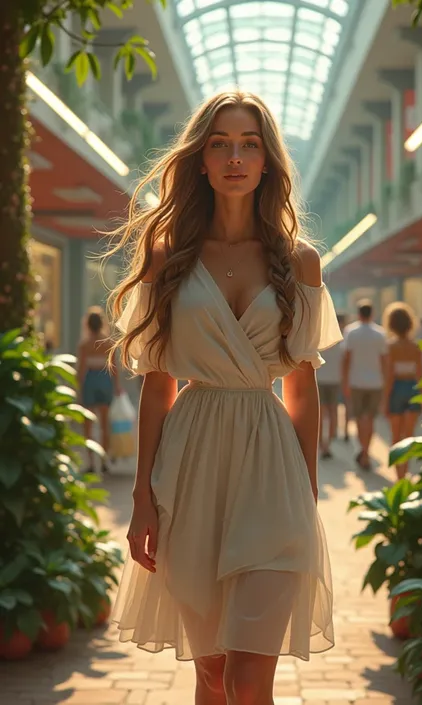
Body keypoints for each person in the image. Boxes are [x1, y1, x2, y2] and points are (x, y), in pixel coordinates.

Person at [107, 91, 342, 704]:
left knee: (249, 679)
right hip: (190, 468)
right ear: (201, 161)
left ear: (268, 162)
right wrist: (142, 500)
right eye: (219, 144)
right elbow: (157, 386)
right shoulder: (167, 258)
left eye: (249, 144)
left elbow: (302, 385)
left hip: (272, 472)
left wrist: (307, 494)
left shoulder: (300, 262)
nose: (235, 157)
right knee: (210, 674)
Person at [342, 299, 387, 471]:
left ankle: (362, 450)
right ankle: (366, 452)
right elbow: (384, 361)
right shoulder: (380, 333)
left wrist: (345, 382)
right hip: (376, 383)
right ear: (372, 314)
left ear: (359, 314)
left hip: (356, 381)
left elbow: (346, 359)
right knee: (370, 418)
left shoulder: (350, 332)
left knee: (360, 418)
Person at [77, 306, 121, 473]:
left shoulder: (84, 345)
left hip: (90, 380)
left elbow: (81, 370)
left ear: (87, 324)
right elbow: (114, 367)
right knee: (105, 424)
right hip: (104, 380)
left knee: (88, 424)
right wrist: (116, 386)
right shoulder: (108, 343)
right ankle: (104, 461)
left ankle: (90, 462)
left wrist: (78, 387)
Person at [382, 302, 422, 480]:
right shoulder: (416, 347)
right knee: (409, 436)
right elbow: (420, 374)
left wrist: (384, 400)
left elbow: (390, 375)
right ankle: (405, 473)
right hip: (413, 388)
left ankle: (399, 477)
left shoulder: (391, 346)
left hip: (396, 389)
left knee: (396, 436)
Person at [317, 312, 345, 458]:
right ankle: (329, 443)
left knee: (321, 414)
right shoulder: (341, 338)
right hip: (335, 380)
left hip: (319, 379)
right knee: (333, 412)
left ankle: (322, 444)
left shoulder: (318, 337)